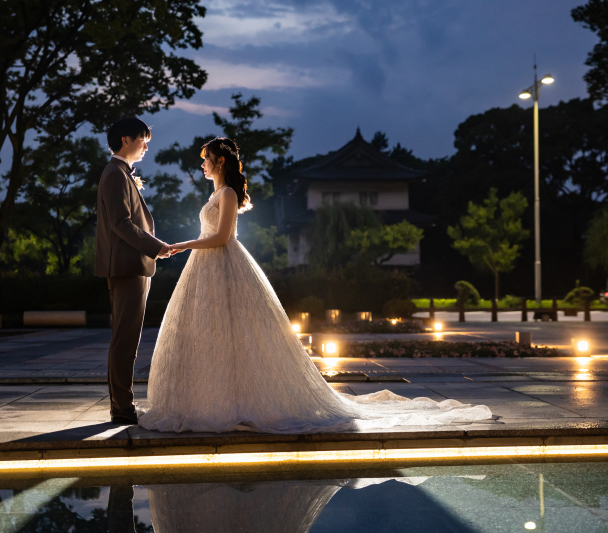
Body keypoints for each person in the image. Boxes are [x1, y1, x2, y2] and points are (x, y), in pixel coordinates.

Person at [138, 138, 491, 433]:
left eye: (206, 160)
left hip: (223, 265)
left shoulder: (228, 194)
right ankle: (215, 400)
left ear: (219, 162)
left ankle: (239, 403)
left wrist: (182, 245)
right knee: (212, 335)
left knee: (237, 335)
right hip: (206, 270)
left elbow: (221, 238)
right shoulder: (215, 195)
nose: (202, 165)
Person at [95, 117, 176, 425]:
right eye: (143, 140)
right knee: (125, 339)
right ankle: (122, 408)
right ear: (125, 140)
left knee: (127, 338)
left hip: (132, 264)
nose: (146, 146)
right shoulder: (115, 174)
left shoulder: (120, 173)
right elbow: (121, 223)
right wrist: (156, 246)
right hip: (126, 265)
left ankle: (122, 405)